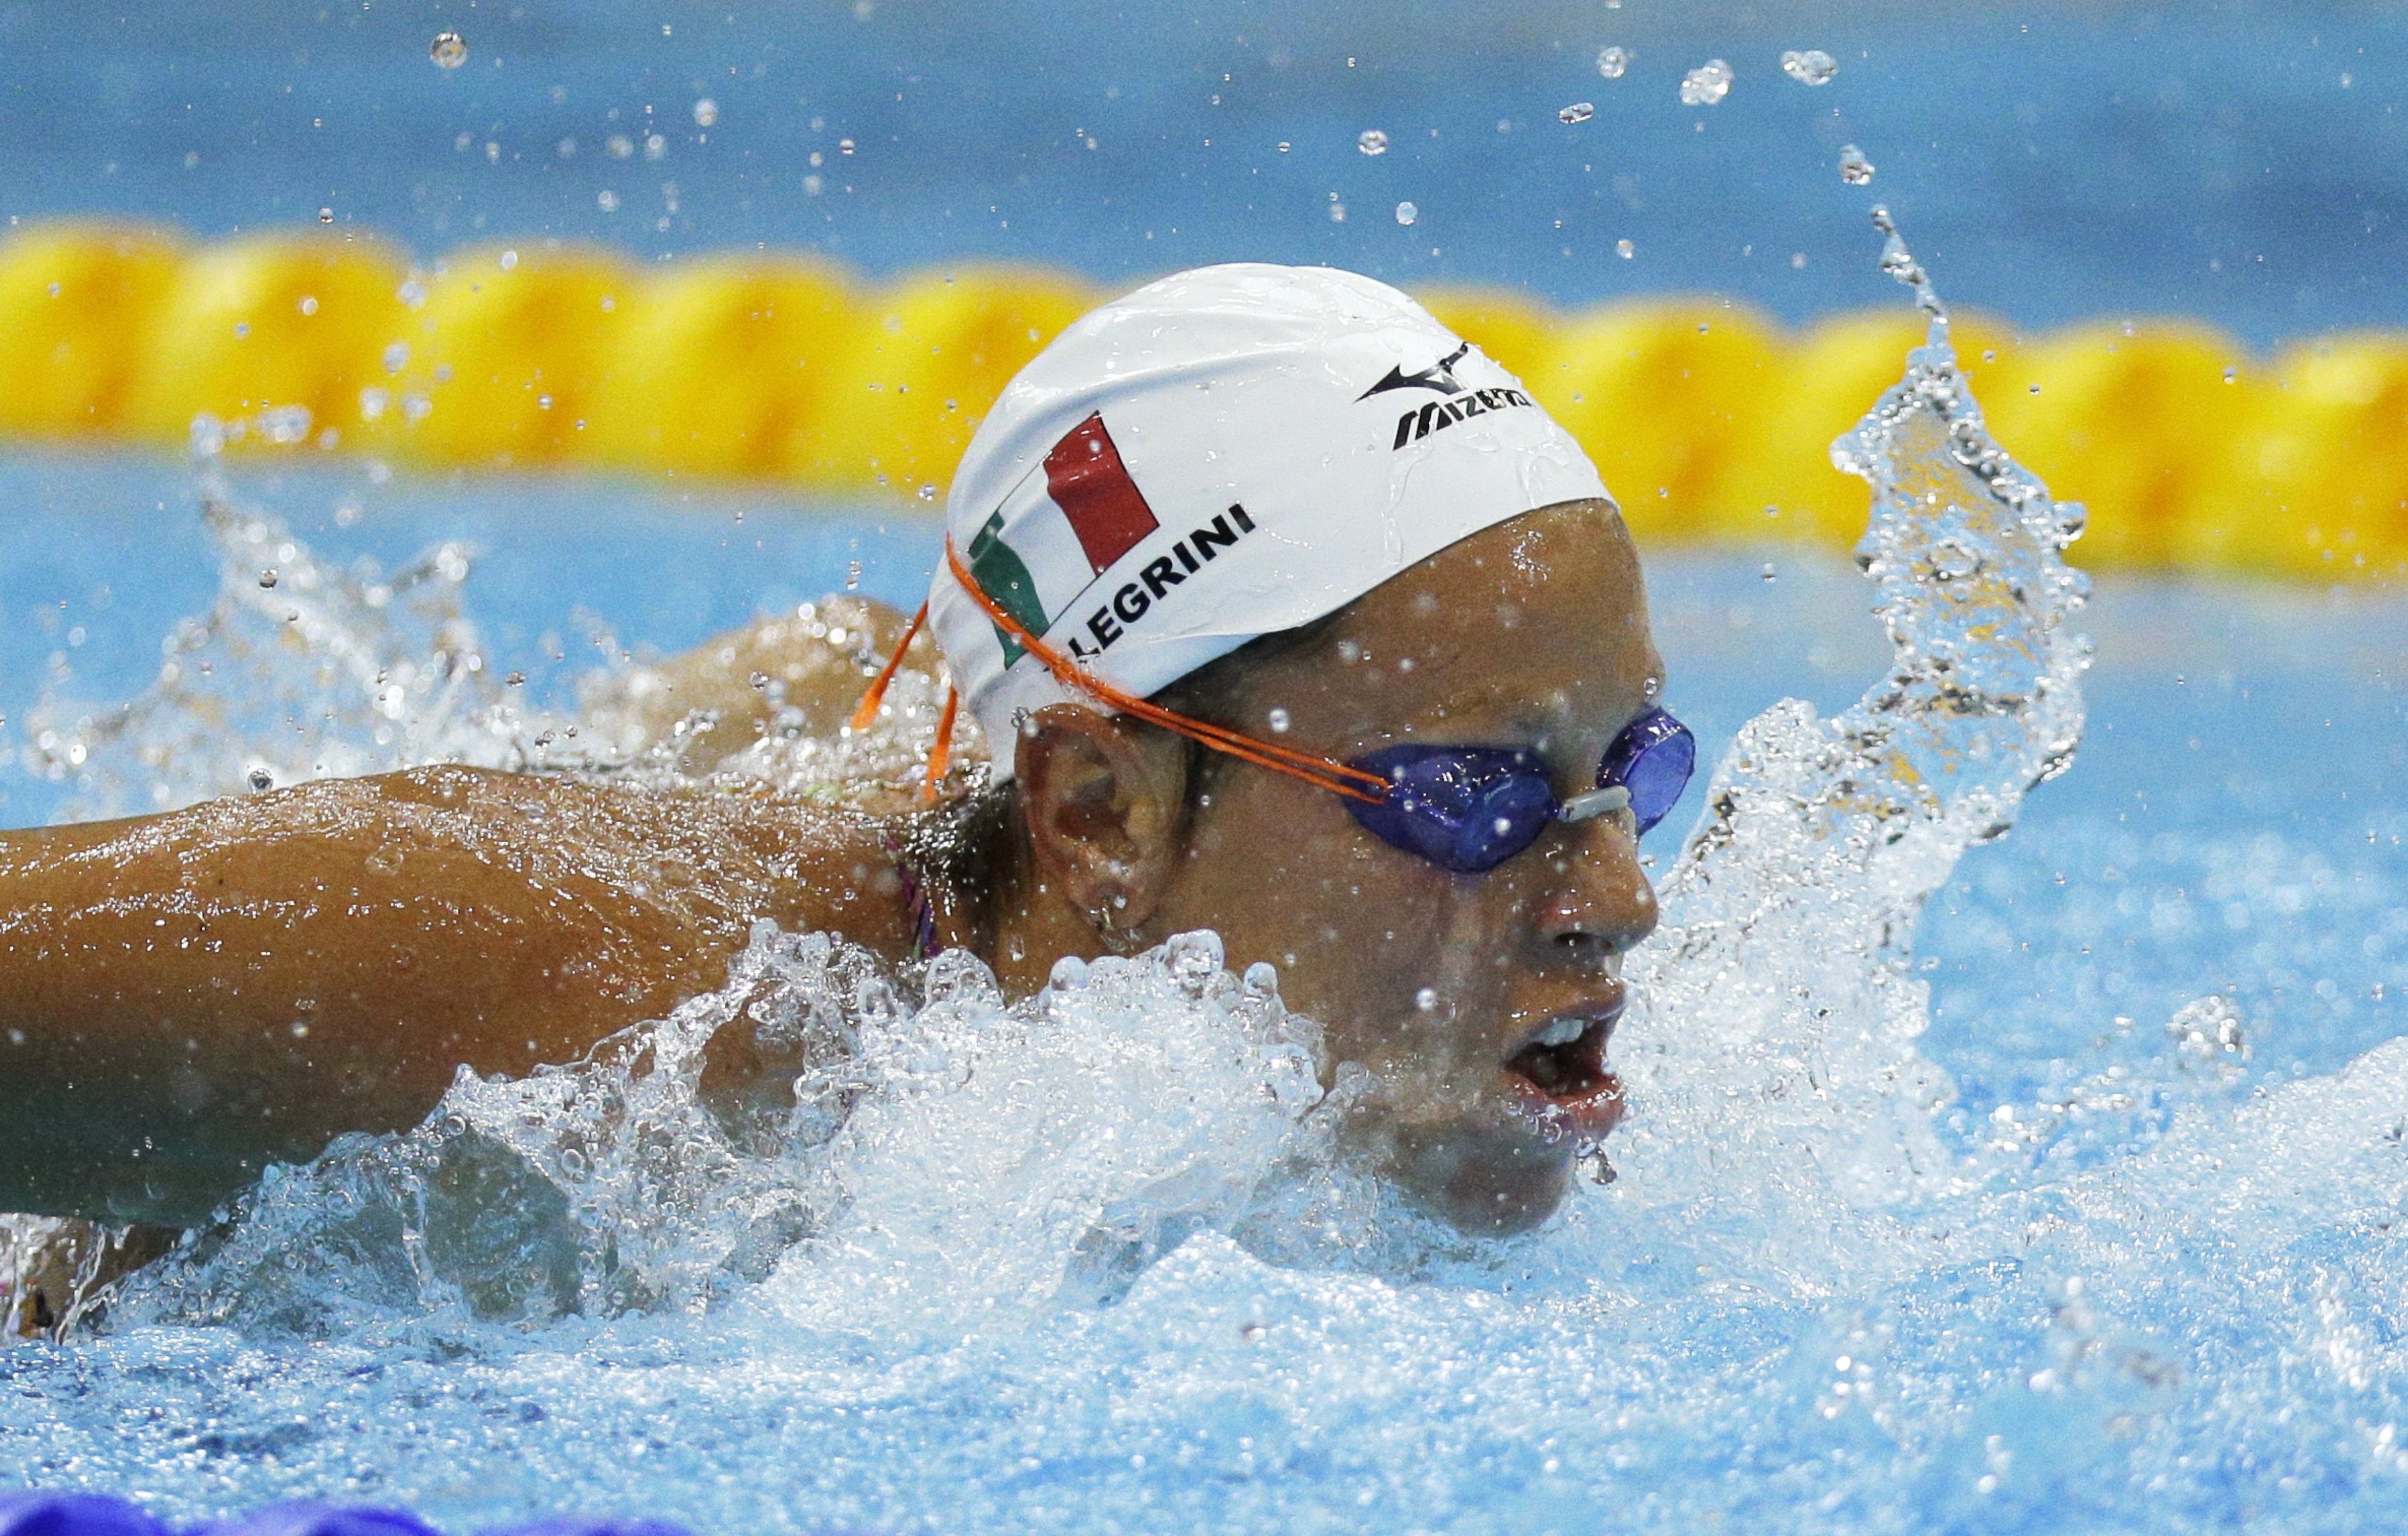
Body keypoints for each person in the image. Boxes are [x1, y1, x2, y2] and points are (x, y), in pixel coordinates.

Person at [0, 263, 1690, 1255]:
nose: (1621, 899)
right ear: (1099, 817)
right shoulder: (589, 1002)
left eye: (1637, 765)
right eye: (1478, 799)